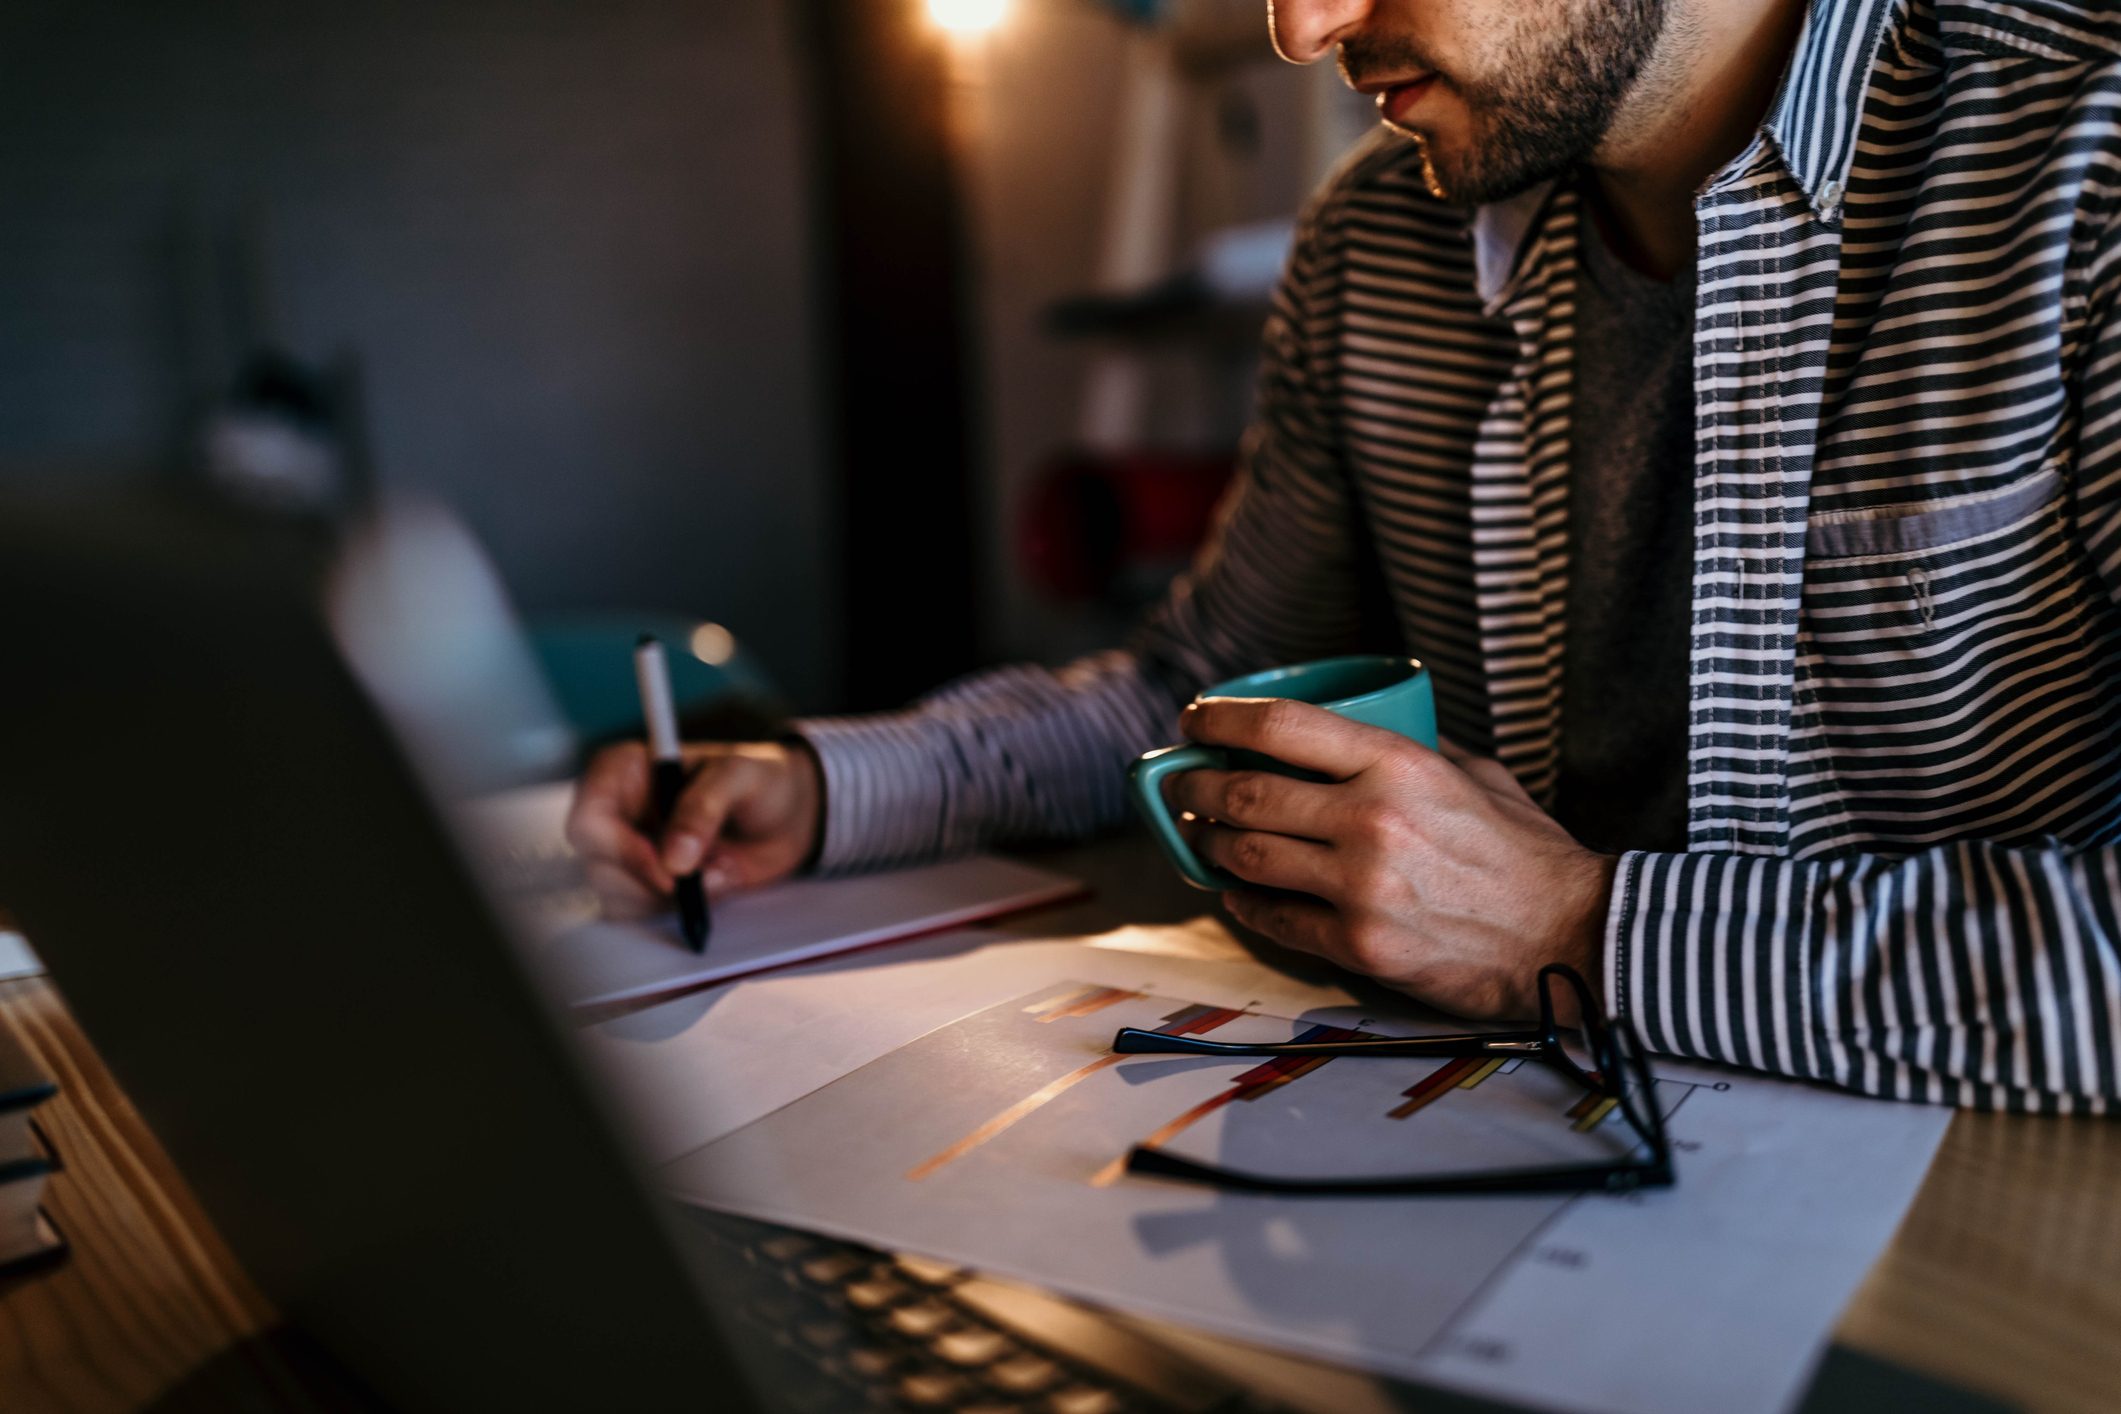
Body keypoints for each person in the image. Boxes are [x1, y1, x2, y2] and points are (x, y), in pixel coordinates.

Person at [570, 0, 2121, 1112]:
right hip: (1500, 1162)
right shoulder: (1376, 245)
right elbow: (1200, 691)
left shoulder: (2087, 175)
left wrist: (1575, 931)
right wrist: (834, 784)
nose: (1298, 30)